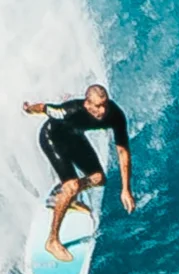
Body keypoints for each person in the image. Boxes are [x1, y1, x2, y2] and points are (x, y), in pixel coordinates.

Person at [21, 84, 135, 261]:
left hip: (74, 137)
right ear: (87, 104)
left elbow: (123, 151)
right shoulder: (70, 111)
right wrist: (29, 109)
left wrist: (126, 189)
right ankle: (52, 241)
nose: (103, 110)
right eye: (98, 106)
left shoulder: (115, 115)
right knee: (72, 186)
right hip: (52, 138)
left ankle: (64, 194)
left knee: (98, 179)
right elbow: (45, 108)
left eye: (105, 104)